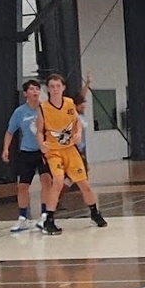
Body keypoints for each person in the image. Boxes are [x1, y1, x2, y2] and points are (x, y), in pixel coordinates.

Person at [36, 73, 107, 234]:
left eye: (58, 86)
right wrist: (41, 143)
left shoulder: (69, 103)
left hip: (70, 150)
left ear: (63, 88)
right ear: (48, 88)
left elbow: (77, 123)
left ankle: (95, 213)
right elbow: (40, 131)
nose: (55, 89)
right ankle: (49, 219)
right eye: (52, 86)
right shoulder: (43, 108)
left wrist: (78, 133)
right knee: (58, 181)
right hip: (53, 151)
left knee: (84, 184)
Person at [2, 79, 52, 232]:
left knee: (46, 182)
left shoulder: (46, 108)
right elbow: (10, 132)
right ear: (25, 93)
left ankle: (44, 216)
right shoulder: (20, 112)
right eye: (31, 89)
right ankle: (23, 218)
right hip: (26, 152)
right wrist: (5, 149)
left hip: (43, 151)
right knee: (23, 186)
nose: (35, 92)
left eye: (37, 89)